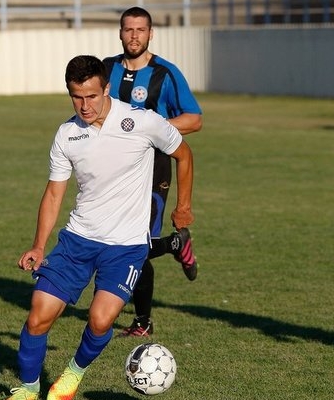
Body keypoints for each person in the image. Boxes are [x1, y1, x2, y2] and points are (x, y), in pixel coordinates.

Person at [7, 55, 194, 400]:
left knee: (101, 320)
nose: (84, 105)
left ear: (106, 88)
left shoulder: (142, 121)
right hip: (78, 239)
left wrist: (182, 208)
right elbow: (53, 194)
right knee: (38, 316)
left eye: (92, 96)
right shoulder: (67, 134)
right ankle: (29, 389)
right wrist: (37, 245)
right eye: (76, 97)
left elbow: (184, 154)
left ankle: (72, 375)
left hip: (125, 246)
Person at [102, 6, 203, 337]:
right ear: (120, 33)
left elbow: (194, 118)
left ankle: (143, 321)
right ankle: (174, 245)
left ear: (150, 33)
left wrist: (150, 128)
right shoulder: (106, 70)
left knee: (138, 241)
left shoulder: (166, 73)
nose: (134, 36)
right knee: (113, 237)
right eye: (128, 30)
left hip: (154, 166)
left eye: (140, 30)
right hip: (113, 168)